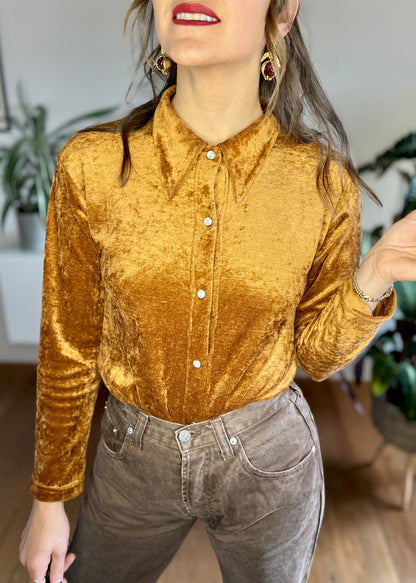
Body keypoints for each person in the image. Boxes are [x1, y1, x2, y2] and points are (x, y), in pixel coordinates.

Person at [19, 0, 416, 582]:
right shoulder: (94, 166)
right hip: (132, 459)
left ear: (282, 16)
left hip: (270, 460)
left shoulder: (322, 182)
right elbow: (69, 345)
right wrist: (48, 499)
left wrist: (377, 270)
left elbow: (317, 354)